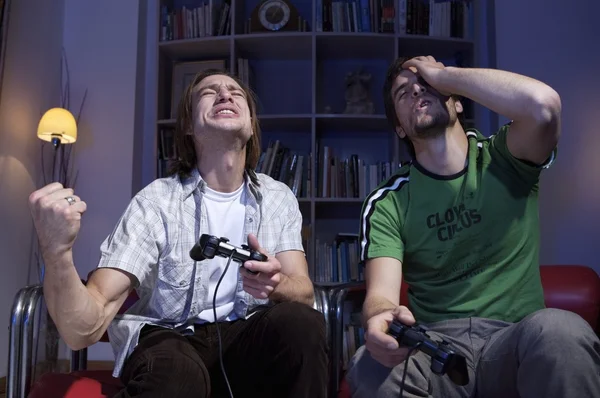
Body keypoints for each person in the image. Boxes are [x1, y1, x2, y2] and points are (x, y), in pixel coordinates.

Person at [28, 69, 328, 398]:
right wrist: (56, 252)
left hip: (245, 340)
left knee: (302, 324)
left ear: (251, 124)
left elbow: (303, 293)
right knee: (177, 374)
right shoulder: (155, 201)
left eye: (235, 92)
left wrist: (277, 284)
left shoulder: (277, 197)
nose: (225, 94)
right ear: (188, 126)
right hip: (170, 337)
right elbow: (83, 329)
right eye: (209, 92)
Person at [346, 55, 600, 398]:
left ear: (457, 100)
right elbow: (381, 298)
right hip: (437, 350)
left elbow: (543, 105)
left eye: (428, 83)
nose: (418, 88)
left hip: (515, 340)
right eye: (403, 92)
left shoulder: (505, 158)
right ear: (400, 128)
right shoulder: (388, 201)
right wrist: (380, 321)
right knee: (370, 365)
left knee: (563, 330)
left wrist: (446, 75)